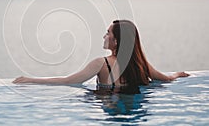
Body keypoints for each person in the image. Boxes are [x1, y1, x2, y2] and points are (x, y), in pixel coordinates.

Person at [13, 20, 189, 91]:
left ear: (117, 41)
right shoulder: (140, 64)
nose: (104, 36)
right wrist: (178, 74)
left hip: (110, 107)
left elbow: (69, 81)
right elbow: (167, 79)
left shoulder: (102, 63)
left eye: (108, 33)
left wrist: (31, 79)